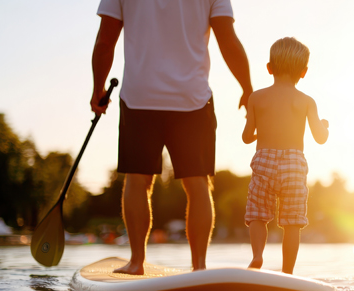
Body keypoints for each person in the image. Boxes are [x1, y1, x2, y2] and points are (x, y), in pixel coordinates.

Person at [90, 0, 252, 275]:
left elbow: (106, 42)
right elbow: (227, 39)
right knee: (198, 183)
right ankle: (199, 267)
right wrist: (247, 88)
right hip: (192, 99)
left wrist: (98, 89)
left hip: (140, 97)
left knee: (137, 180)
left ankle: (137, 262)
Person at [242, 37, 329, 274]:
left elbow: (246, 136)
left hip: (264, 159)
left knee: (258, 214)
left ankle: (257, 257)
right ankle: (287, 273)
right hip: (293, 162)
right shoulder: (306, 101)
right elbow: (320, 138)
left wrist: (260, 129)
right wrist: (325, 125)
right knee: (292, 221)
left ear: (269, 68)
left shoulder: (256, 98)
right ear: (304, 72)